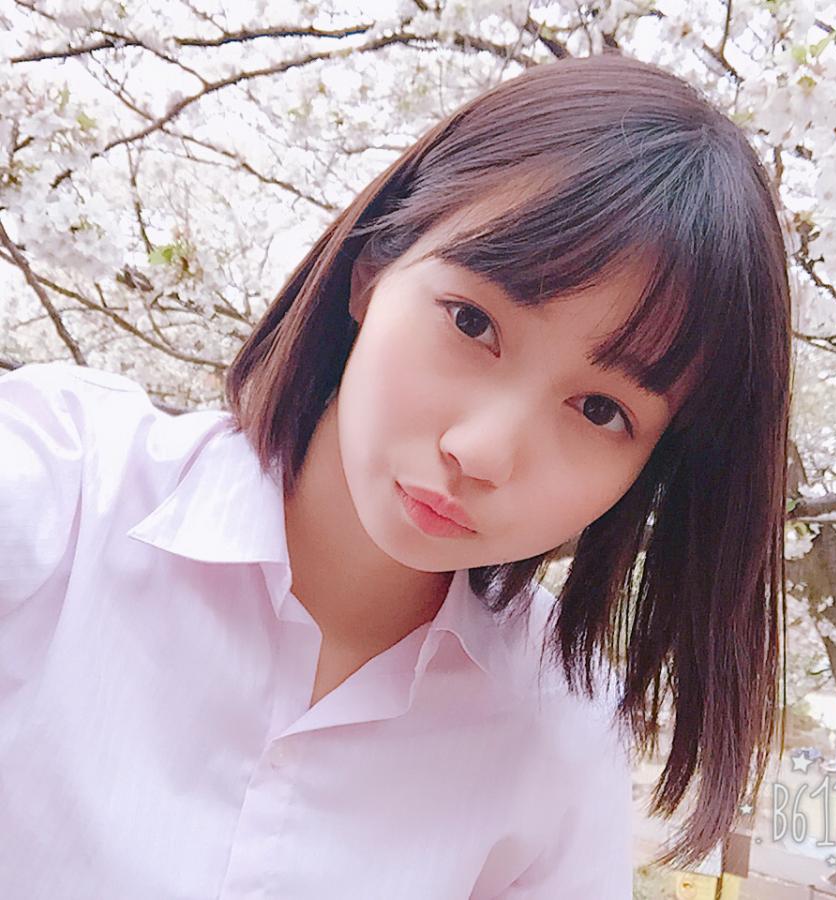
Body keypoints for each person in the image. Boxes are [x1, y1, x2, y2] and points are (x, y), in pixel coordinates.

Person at [0, 52, 791, 898]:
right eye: (471, 322)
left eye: (600, 410)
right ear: (372, 270)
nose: (483, 451)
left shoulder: (558, 730)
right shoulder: (64, 488)